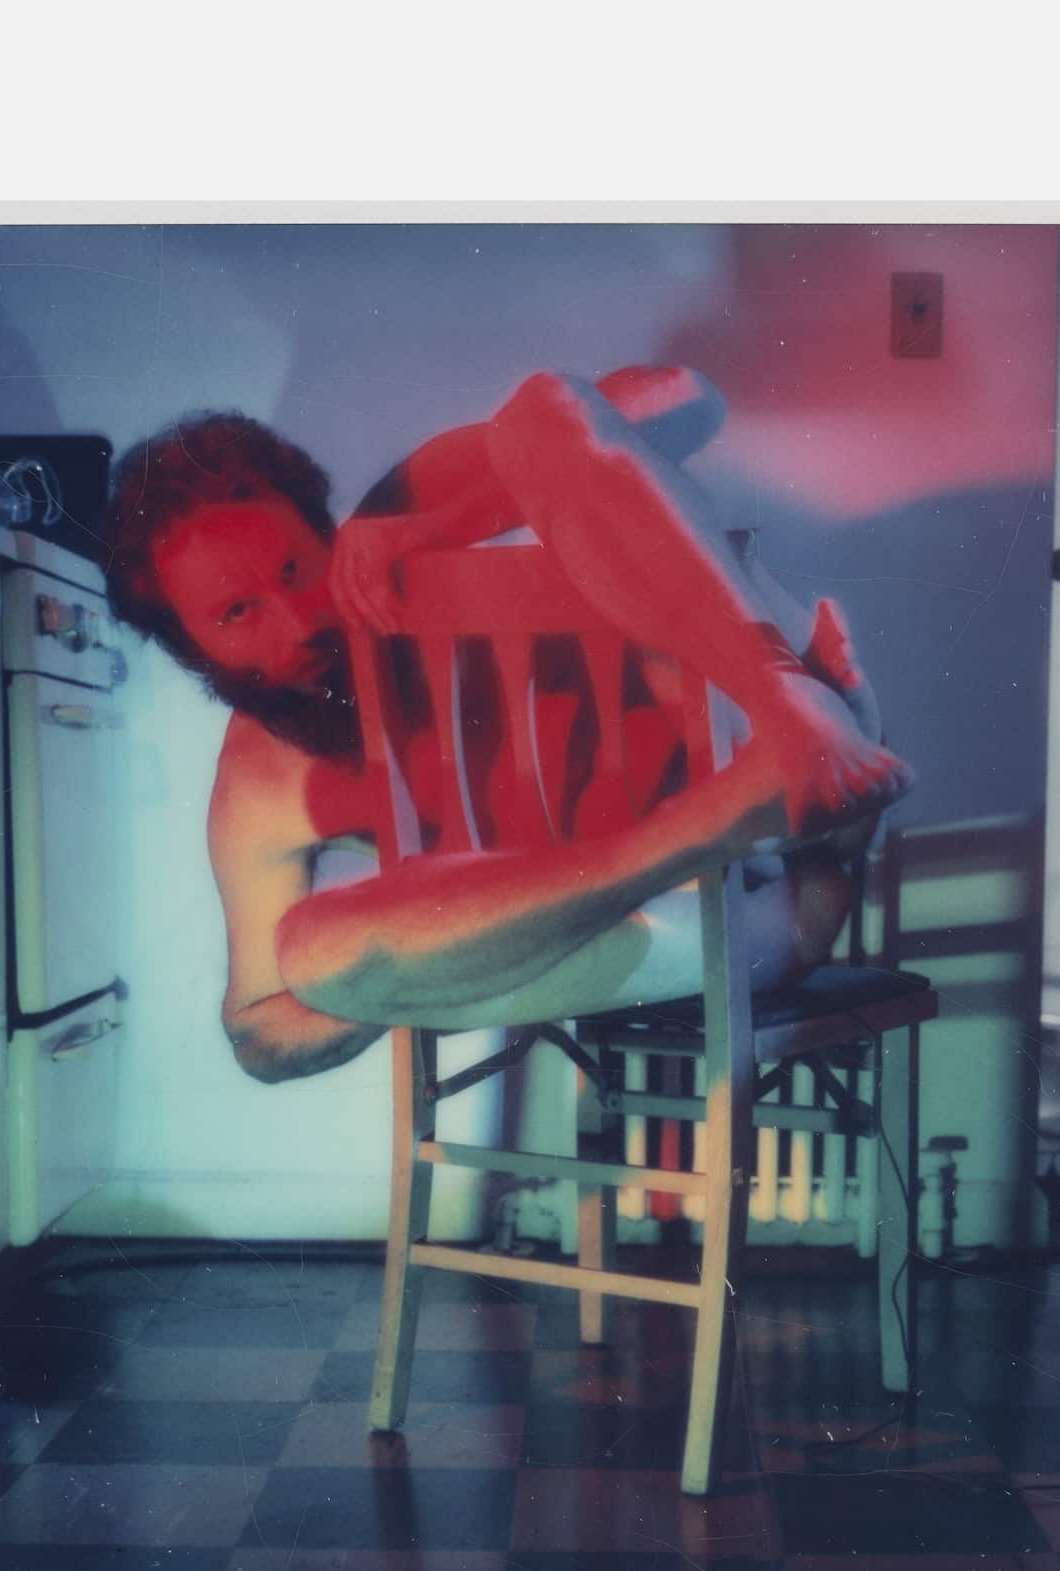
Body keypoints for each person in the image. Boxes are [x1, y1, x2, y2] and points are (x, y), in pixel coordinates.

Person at [101, 366, 910, 1084]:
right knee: (316, 953)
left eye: (294, 568)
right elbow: (258, 1032)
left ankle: (787, 737)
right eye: (237, 613)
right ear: (188, 647)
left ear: (326, 531)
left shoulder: (396, 526)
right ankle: (721, 817)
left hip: (745, 907)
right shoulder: (261, 778)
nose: (298, 622)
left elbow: (667, 399)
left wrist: (439, 523)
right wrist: (440, 961)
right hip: (641, 912)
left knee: (541, 417)